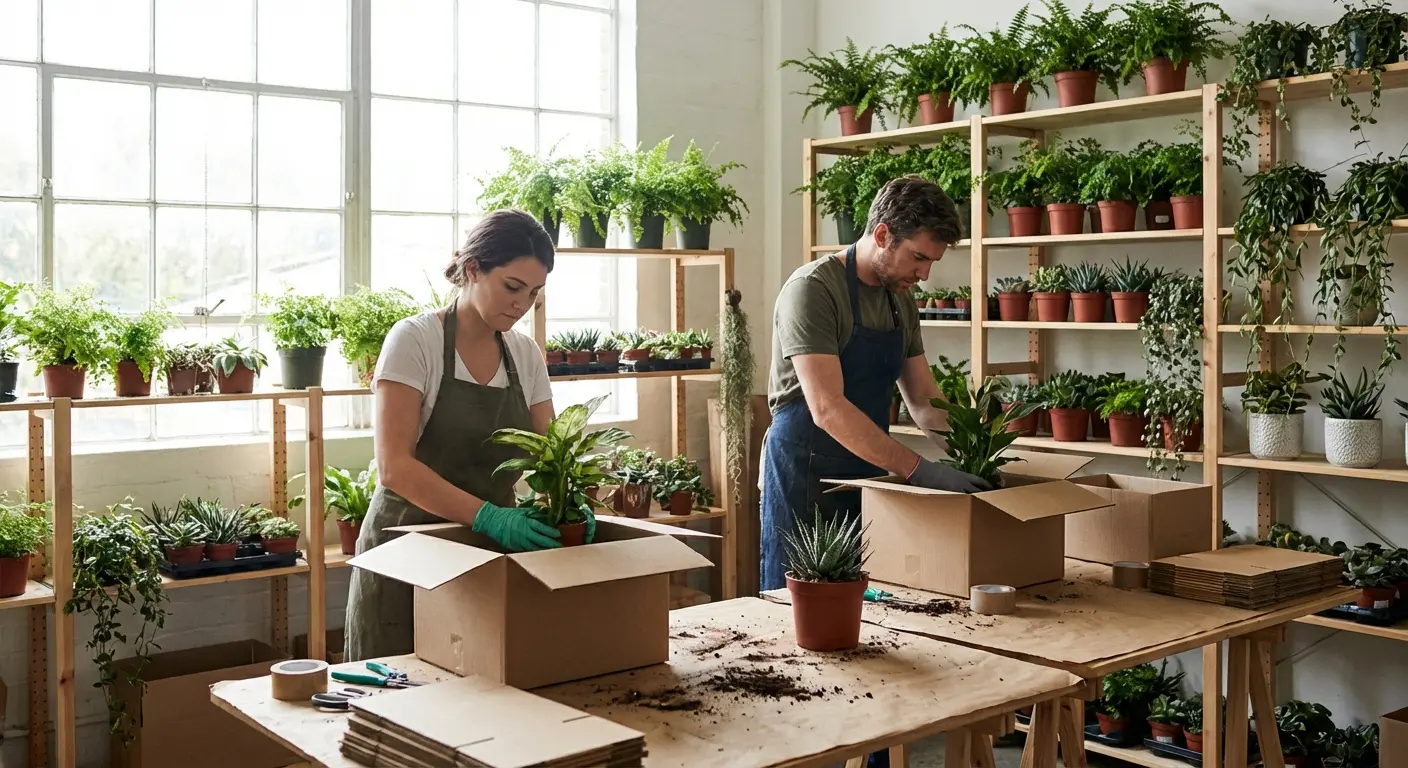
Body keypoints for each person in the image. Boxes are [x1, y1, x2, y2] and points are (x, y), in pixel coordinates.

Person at [345, 209, 592, 662]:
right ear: (473, 269)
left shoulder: (525, 354)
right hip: (407, 554)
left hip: (485, 558)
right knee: (398, 707)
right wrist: (491, 517)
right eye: (512, 287)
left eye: (534, 293)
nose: (522, 304)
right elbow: (395, 467)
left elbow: (549, 453)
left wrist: (568, 499)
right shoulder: (414, 341)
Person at [762, 174, 992, 592]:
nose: (923, 274)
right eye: (917, 257)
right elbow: (827, 408)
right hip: (806, 473)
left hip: (869, 473)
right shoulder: (813, 290)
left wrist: (975, 457)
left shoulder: (899, 299)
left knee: (868, 603)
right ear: (883, 234)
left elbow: (923, 400)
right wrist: (920, 471)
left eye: (931, 263)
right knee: (798, 610)